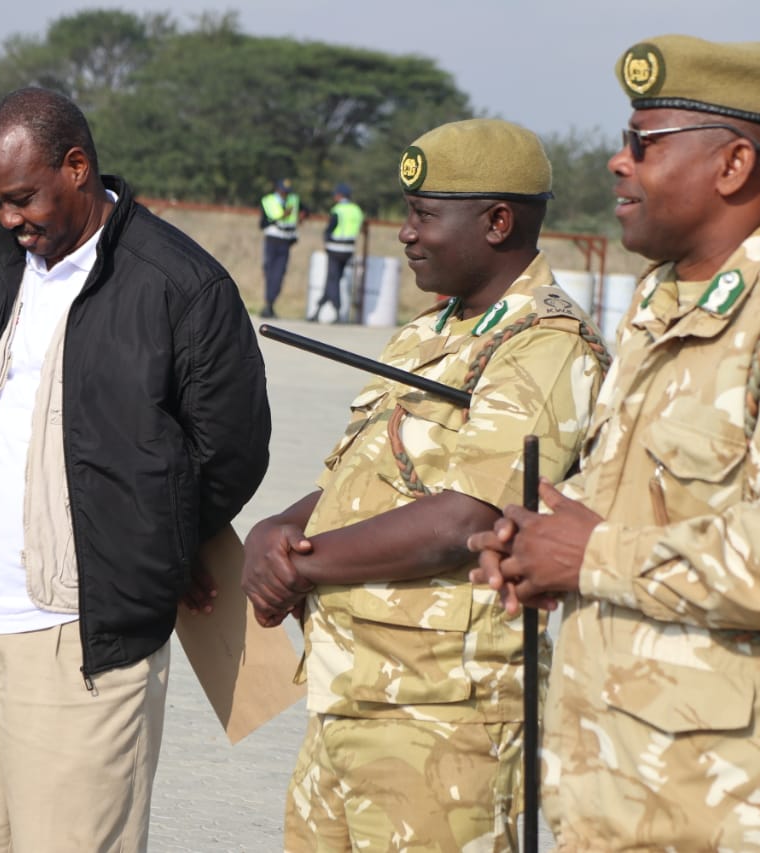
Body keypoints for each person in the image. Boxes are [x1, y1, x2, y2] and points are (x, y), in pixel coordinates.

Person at [469, 36, 760, 851]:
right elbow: (635, 511)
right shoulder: (663, 302)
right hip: (621, 793)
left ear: (734, 165)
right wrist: (540, 544)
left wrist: (593, 555)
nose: (616, 162)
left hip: (745, 815)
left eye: (644, 142)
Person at [243, 118, 610, 852]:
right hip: (351, 695)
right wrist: (276, 526)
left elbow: (464, 518)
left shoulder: (547, 346)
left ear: (498, 221)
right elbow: (363, 475)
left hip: (446, 719)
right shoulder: (427, 332)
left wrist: (299, 565)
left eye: (424, 215)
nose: (406, 233)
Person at [0, 86, 271, 853]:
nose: (8, 220)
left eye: (22, 199)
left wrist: (153, 549)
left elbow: (234, 449)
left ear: (77, 167)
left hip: (83, 640)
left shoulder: (181, 285)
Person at [309, 182, 364, 323]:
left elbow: (330, 228)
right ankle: (318, 311)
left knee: (332, 280)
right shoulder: (357, 210)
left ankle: (337, 310)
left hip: (335, 248)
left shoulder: (338, 209)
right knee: (334, 279)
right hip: (349, 249)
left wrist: (325, 239)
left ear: (339, 195)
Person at [260, 178, 301, 318]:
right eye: (283, 192)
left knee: (278, 274)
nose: (285, 195)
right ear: (277, 189)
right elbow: (264, 222)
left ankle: (270, 303)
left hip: (285, 241)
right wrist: (282, 216)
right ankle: (268, 304)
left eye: (287, 192)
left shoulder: (293, 200)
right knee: (269, 272)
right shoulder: (269, 201)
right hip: (272, 240)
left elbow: (303, 212)